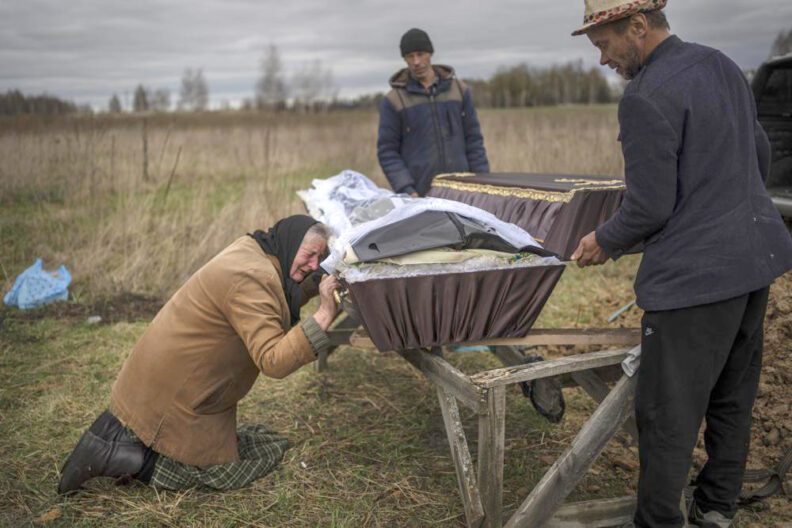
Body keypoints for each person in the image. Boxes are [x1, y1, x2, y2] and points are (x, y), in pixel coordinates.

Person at [569, 1, 792, 526]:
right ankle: (716, 507)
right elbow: (757, 155)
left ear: (639, 27)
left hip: (695, 284)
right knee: (732, 397)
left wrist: (604, 239)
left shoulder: (644, 97)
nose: (602, 60)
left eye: (604, 45)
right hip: (753, 265)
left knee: (667, 417)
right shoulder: (720, 65)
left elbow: (649, 207)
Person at [58, 215, 340, 493]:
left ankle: (114, 438)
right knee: (230, 469)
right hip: (178, 396)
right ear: (292, 242)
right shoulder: (254, 278)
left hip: (158, 384)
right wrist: (324, 314)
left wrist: (316, 282)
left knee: (261, 443)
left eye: (320, 257)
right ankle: (126, 458)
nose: (314, 264)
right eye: (310, 254)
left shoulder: (254, 251)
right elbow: (273, 361)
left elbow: (278, 297)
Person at [377, 28, 490, 197]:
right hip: (421, 195)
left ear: (430, 53)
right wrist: (407, 190)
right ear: (405, 59)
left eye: (420, 54)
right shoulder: (394, 100)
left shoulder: (459, 90)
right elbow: (387, 151)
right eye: (410, 56)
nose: (416, 62)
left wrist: (484, 183)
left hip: (463, 191)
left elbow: (473, 140)